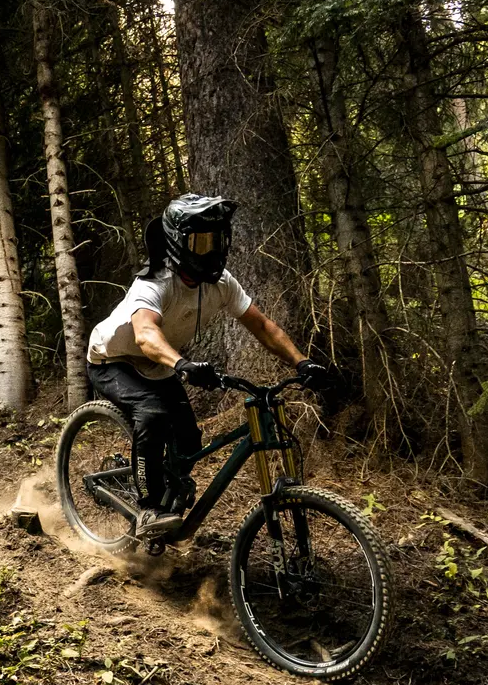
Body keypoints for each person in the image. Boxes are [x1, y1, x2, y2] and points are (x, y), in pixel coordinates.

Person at [86, 194, 333, 539]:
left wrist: (302, 362)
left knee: (189, 440)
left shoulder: (221, 284)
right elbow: (145, 334)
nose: (211, 251)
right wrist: (183, 364)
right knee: (152, 415)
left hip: (160, 363)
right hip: (113, 358)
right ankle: (148, 508)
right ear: (176, 242)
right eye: (200, 242)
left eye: (216, 240)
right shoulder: (155, 280)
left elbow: (262, 326)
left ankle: (165, 483)